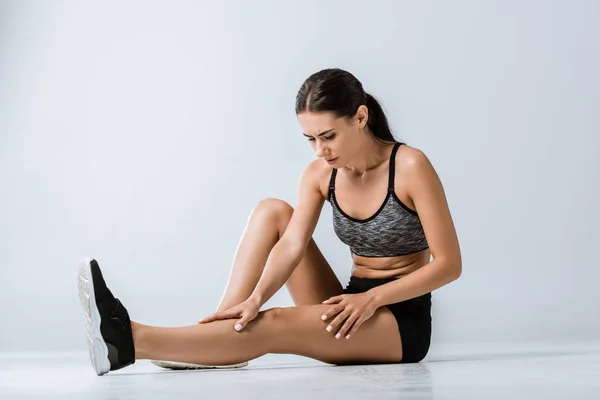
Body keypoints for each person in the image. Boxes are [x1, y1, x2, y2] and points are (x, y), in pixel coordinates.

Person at [77, 68, 462, 376]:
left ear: (360, 117)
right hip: (348, 300)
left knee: (273, 323)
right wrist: (255, 298)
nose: (320, 150)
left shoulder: (410, 166)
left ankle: (129, 340)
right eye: (310, 138)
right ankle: (220, 331)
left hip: (397, 320)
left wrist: (372, 298)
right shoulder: (319, 174)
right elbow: (292, 244)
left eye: (328, 136)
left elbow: (449, 265)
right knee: (272, 211)